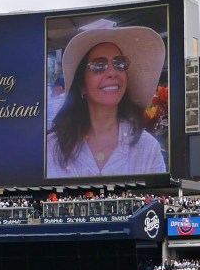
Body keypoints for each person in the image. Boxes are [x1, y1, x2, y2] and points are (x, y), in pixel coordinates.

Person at [47, 25, 167, 178]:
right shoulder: (51, 147)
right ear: (82, 85)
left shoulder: (147, 147)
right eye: (99, 65)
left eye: (120, 64)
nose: (112, 72)